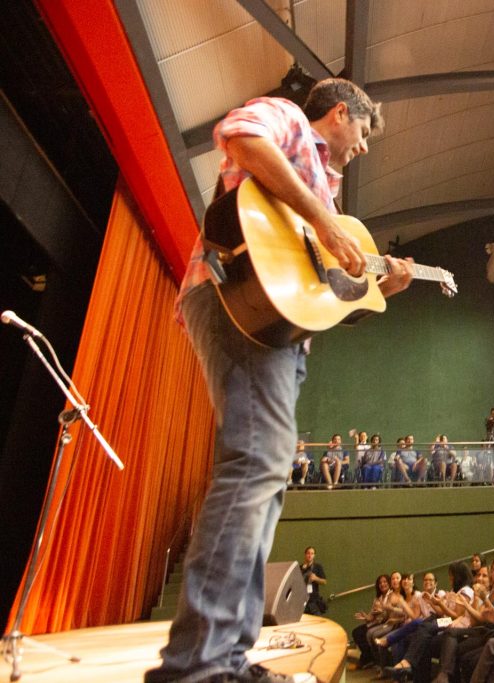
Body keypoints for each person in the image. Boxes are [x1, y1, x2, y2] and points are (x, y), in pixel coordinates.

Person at [148, 77, 413, 683]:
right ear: (340, 113)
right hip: (234, 301)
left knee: (266, 483)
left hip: (276, 331)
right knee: (258, 465)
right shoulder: (292, 120)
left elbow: (315, 302)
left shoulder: (328, 197)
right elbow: (240, 135)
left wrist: (380, 288)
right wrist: (324, 220)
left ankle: (228, 656)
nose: (365, 148)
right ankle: (197, 665)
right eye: (365, 132)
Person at [300, 546, 327, 615]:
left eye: (312, 554)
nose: (310, 555)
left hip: (314, 601)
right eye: (308, 553)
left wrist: (316, 578)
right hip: (302, 601)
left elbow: (324, 582)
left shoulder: (318, 567)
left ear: (314, 555)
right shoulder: (299, 568)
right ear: (305, 554)